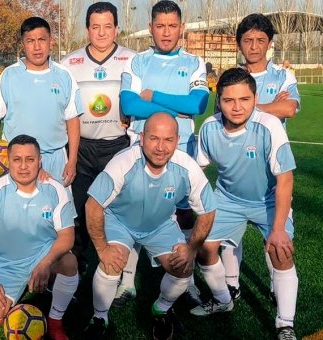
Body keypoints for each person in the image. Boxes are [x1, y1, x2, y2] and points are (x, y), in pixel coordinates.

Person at [84, 113, 216, 340]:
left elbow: (208, 210)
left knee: (183, 266)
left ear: (177, 140)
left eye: (168, 140)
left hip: (160, 225)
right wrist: (102, 249)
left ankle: (162, 310)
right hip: (120, 221)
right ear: (142, 138)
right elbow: (93, 205)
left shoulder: (186, 166)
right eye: (154, 138)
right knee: (112, 261)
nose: (161, 147)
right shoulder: (124, 161)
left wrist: (192, 248)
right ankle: (99, 317)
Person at [116, 0, 209, 306]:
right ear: (151, 28)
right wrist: (175, 107)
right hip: (141, 150)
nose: (166, 32)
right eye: (160, 26)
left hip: (181, 151)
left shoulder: (194, 63)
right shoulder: (138, 63)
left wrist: (153, 96)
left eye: (172, 26)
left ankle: (187, 280)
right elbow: (130, 106)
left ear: (181, 28)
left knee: (184, 215)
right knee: (135, 213)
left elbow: (196, 105)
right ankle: (127, 283)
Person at [194, 68, 298, 340]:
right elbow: (198, 173)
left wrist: (278, 229)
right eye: (229, 100)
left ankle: (285, 323)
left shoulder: (269, 125)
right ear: (219, 101)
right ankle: (223, 299)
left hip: (269, 200)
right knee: (204, 249)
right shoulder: (209, 128)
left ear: (255, 98)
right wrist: (193, 212)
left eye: (244, 99)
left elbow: (285, 180)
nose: (237, 107)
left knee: (280, 250)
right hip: (227, 199)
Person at [0, 135, 78, 340]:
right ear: (8, 161)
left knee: (69, 262)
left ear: (40, 161)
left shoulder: (55, 189)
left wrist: (45, 263)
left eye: (30, 159)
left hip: (43, 256)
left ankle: (55, 320)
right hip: (6, 265)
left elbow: (67, 235)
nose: (23, 166)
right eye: (17, 159)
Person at [220, 14, 301, 300]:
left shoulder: (283, 75)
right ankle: (232, 285)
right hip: (237, 168)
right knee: (227, 238)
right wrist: (270, 107)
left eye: (260, 40)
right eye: (247, 40)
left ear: (269, 43)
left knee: (276, 238)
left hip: (273, 173)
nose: (254, 46)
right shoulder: (232, 76)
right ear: (239, 43)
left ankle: (274, 286)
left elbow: (290, 108)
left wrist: (246, 109)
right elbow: (224, 114)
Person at [61, 2, 135, 274]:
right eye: (95, 27)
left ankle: (121, 269)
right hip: (81, 148)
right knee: (78, 209)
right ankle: (76, 267)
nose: (102, 33)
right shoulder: (69, 64)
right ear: (87, 29)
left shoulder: (132, 60)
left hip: (118, 146)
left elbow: (142, 98)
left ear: (117, 28)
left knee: (117, 208)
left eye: (107, 26)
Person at [0, 17, 83, 187]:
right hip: (19, 162)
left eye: (41, 40)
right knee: (18, 211)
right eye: (30, 41)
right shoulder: (9, 76)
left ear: (51, 42)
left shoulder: (64, 75)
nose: (37, 47)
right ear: (23, 44)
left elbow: (73, 120)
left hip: (55, 159)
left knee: (56, 211)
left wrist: (72, 160)